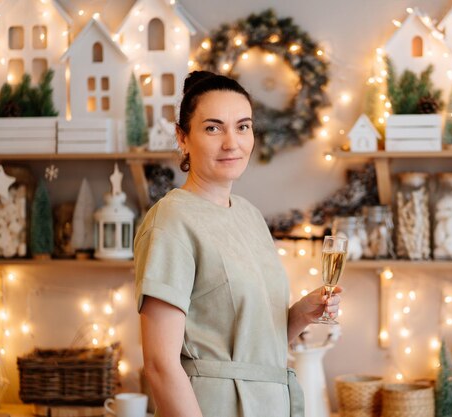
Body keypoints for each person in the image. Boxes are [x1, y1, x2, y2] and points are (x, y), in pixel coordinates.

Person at [134, 71, 342, 417]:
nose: (232, 142)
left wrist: (300, 315)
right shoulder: (171, 221)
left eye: (243, 126)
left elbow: (252, 349)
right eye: (213, 128)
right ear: (182, 138)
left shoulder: (249, 216)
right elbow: (159, 364)